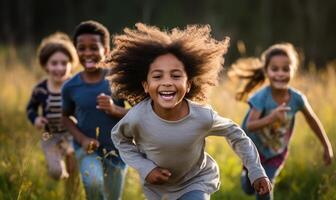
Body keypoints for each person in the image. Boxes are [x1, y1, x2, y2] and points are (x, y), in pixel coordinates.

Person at [108, 23, 271, 200]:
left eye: (176, 75)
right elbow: (119, 138)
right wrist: (145, 168)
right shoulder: (138, 116)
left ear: (188, 85)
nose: (167, 82)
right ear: (146, 86)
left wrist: (256, 171)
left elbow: (236, 134)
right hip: (157, 190)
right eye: (157, 76)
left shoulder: (202, 117)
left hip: (195, 181)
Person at [229, 43, 334, 200]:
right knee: (249, 188)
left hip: (277, 152)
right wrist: (271, 118)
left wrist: (326, 146)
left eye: (286, 69)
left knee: (264, 188)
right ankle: (246, 177)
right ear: (266, 71)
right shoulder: (261, 98)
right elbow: (250, 125)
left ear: (293, 71)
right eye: (275, 69)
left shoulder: (297, 99)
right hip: (254, 152)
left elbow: (312, 120)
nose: (280, 74)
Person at [61, 20, 128, 200]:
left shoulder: (118, 80)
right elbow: (64, 116)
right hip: (87, 150)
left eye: (94, 48)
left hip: (117, 150)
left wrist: (115, 110)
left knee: (113, 197)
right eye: (82, 48)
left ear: (105, 50)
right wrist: (82, 139)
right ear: (76, 51)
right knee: (94, 184)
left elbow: (142, 113)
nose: (87, 53)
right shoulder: (70, 86)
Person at [26, 32, 78, 181]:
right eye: (54, 63)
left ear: (71, 64)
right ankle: (55, 168)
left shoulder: (75, 85)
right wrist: (35, 119)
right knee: (56, 172)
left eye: (64, 63)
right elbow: (30, 109)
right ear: (45, 65)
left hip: (73, 135)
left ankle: (71, 193)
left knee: (73, 174)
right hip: (50, 137)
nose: (59, 68)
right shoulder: (40, 89)